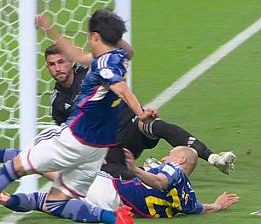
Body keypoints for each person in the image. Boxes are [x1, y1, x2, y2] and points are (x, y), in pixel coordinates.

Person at [0, 9, 157, 224]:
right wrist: (51, 30)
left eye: (90, 36)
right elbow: (85, 55)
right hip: (98, 150)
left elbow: (121, 88)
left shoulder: (103, 67)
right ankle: (116, 218)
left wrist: (141, 114)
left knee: (13, 168)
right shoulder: (119, 56)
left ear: (95, 36)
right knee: (55, 203)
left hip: (76, 138)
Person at [42, 41, 236, 179]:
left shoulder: (91, 73)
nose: (57, 68)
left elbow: (122, 83)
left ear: (70, 62)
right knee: (107, 169)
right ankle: (153, 175)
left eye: (61, 62)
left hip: (132, 125)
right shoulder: (58, 103)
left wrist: (140, 113)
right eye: (52, 64)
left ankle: (213, 157)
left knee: (156, 126)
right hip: (111, 144)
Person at [0, 141, 239, 218]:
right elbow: (198, 208)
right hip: (114, 204)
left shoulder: (174, 172)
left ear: (181, 161)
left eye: (170, 154)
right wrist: (216, 205)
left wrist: (136, 170)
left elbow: (161, 183)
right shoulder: (188, 196)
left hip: (109, 190)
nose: (166, 157)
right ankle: (6, 199)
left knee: (39, 162)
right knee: (47, 203)